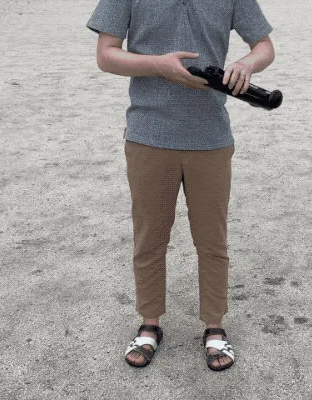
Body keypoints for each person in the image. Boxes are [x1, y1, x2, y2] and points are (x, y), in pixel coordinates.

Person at [87, 0, 275, 371]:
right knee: (150, 237)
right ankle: (149, 323)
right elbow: (106, 55)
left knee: (212, 239)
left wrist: (246, 64)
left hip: (211, 137)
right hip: (148, 135)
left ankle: (214, 326)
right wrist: (157, 65)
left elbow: (264, 46)